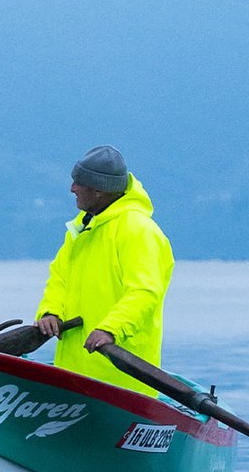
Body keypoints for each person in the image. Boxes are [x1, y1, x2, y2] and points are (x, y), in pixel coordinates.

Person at [35, 145, 174, 396]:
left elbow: (144, 293)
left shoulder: (138, 230)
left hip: (122, 383)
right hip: (73, 375)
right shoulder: (81, 228)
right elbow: (60, 277)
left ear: (99, 189)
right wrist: (50, 311)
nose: (72, 189)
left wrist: (111, 329)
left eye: (78, 183)